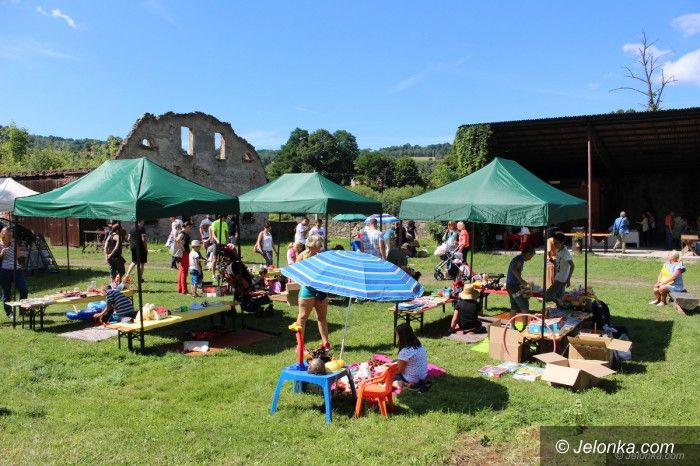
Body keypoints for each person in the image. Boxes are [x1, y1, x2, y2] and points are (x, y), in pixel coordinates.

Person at [294, 234, 330, 349]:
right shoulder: (301, 257)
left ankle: (326, 343)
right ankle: (300, 345)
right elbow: (297, 274)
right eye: (319, 244)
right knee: (302, 317)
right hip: (307, 290)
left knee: (322, 317)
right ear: (313, 244)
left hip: (321, 290)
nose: (321, 246)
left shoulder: (321, 257)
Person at [0, 227, 28, 319]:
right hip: (5, 271)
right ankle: (9, 313)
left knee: (23, 289)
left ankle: (23, 310)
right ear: (3, 235)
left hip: (17, 270)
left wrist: (16, 246)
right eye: (8, 235)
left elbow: (18, 256)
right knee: (6, 292)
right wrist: (1, 254)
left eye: (11, 235)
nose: (10, 237)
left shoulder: (13, 243)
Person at [393, 323, 428, 389]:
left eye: (397, 335)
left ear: (402, 337)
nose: (397, 337)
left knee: (388, 375)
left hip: (412, 379)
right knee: (394, 361)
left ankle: (405, 384)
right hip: (423, 376)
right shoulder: (419, 345)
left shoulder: (405, 351)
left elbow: (399, 371)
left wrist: (387, 370)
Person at [506, 246, 536, 317]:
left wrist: (522, 281)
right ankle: (525, 323)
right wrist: (521, 281)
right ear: (528, 253)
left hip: (510, 286)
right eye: (531, 256)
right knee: (524, 305)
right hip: (513, 287)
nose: (530, 259)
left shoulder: (518, 259)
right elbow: (514, 269)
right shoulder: (520, 260)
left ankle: (511, 323)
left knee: (514, 306)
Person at [545, 232, 574, 305]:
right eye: (554, 242)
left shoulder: (565, 253)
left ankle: (561, 302)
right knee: (559, 296)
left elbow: (572, 265)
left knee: (547, 296)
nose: (554, 244)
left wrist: (568, 279)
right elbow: (559, 264)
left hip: (561, 279)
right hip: (558, 277)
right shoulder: (559, 250)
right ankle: (561, 304)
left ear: (562, 242)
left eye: (556, 243)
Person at [176, 222, 193, 294]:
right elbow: (177, 240)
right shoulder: (182, 233)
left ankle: (180, 289)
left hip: (184, 253)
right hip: (184, 254)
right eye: (190, 228)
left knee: (181, 271)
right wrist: (182, 248)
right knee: (184, 271)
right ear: (187, 226)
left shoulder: (183, 233)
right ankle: (184, 290)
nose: (191, 230)